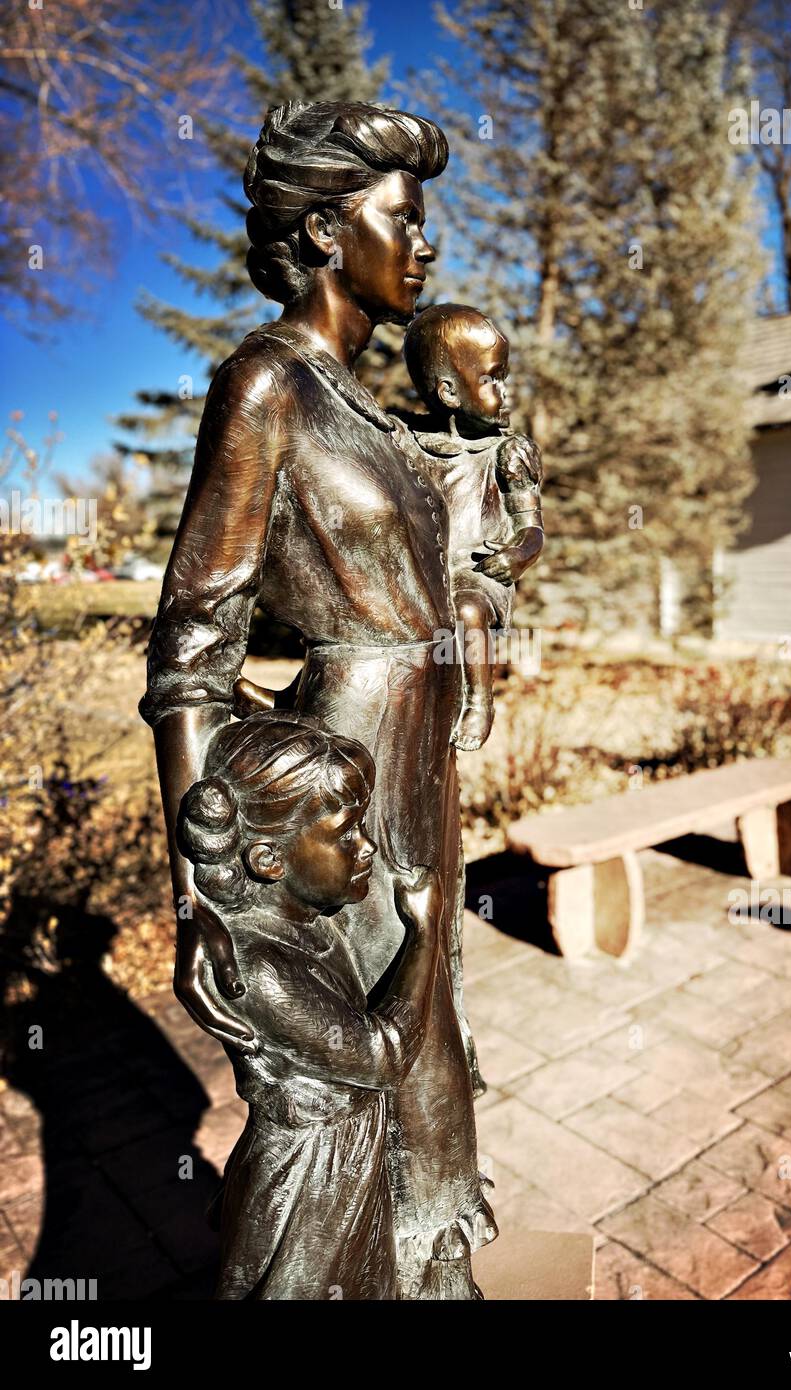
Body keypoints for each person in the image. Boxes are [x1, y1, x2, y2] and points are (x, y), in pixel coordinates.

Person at [140, 100, 495, 1299]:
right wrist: (212, 891)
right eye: (405, 219)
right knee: (352, 1082)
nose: (426, 244)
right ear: (331, 233)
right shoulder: (264, 387)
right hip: (336, 785)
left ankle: (411, 1271)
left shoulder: (372, 414)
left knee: (421, 1036)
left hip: (418, 765)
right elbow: (193, 647)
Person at [177, 710, 440, 1300]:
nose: (366, 845)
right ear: (270, 860)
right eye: (345, 832)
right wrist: (426, 933)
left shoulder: (313, 924)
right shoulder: (260, 971)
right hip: (309, 1178)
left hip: (344, 1159)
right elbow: (383, 1055)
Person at [398, 304, 544, 750]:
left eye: (505, 376)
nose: (507, 390)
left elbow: (532, 529)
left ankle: (479, 701)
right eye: (492, 378)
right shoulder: (406, 442)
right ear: (448, 391)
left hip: (479, 576)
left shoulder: (506, 453)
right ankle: (299, 690)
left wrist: (517, 555)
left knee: (464, 610)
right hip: (422, 573)